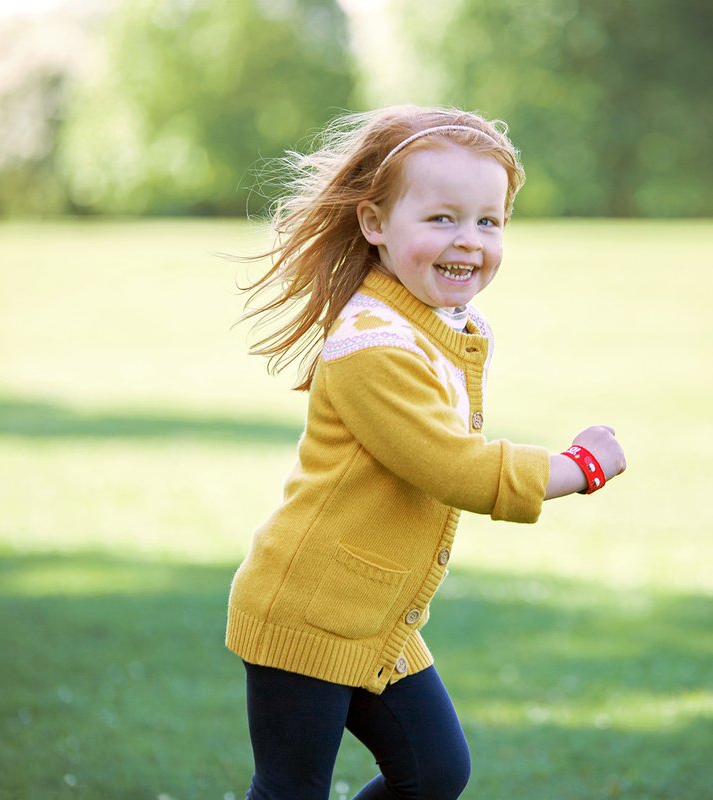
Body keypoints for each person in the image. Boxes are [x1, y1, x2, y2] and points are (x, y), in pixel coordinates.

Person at [227, 105, 627, 800]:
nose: (468, 241)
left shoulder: (438, 323)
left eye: (488, 221)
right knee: (291, 790)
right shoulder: (372, 347)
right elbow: (454, 468)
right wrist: (579, 468)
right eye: (441, 218)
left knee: (435, 773)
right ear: (374, 223)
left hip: (373, 612)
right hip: (307, 607)